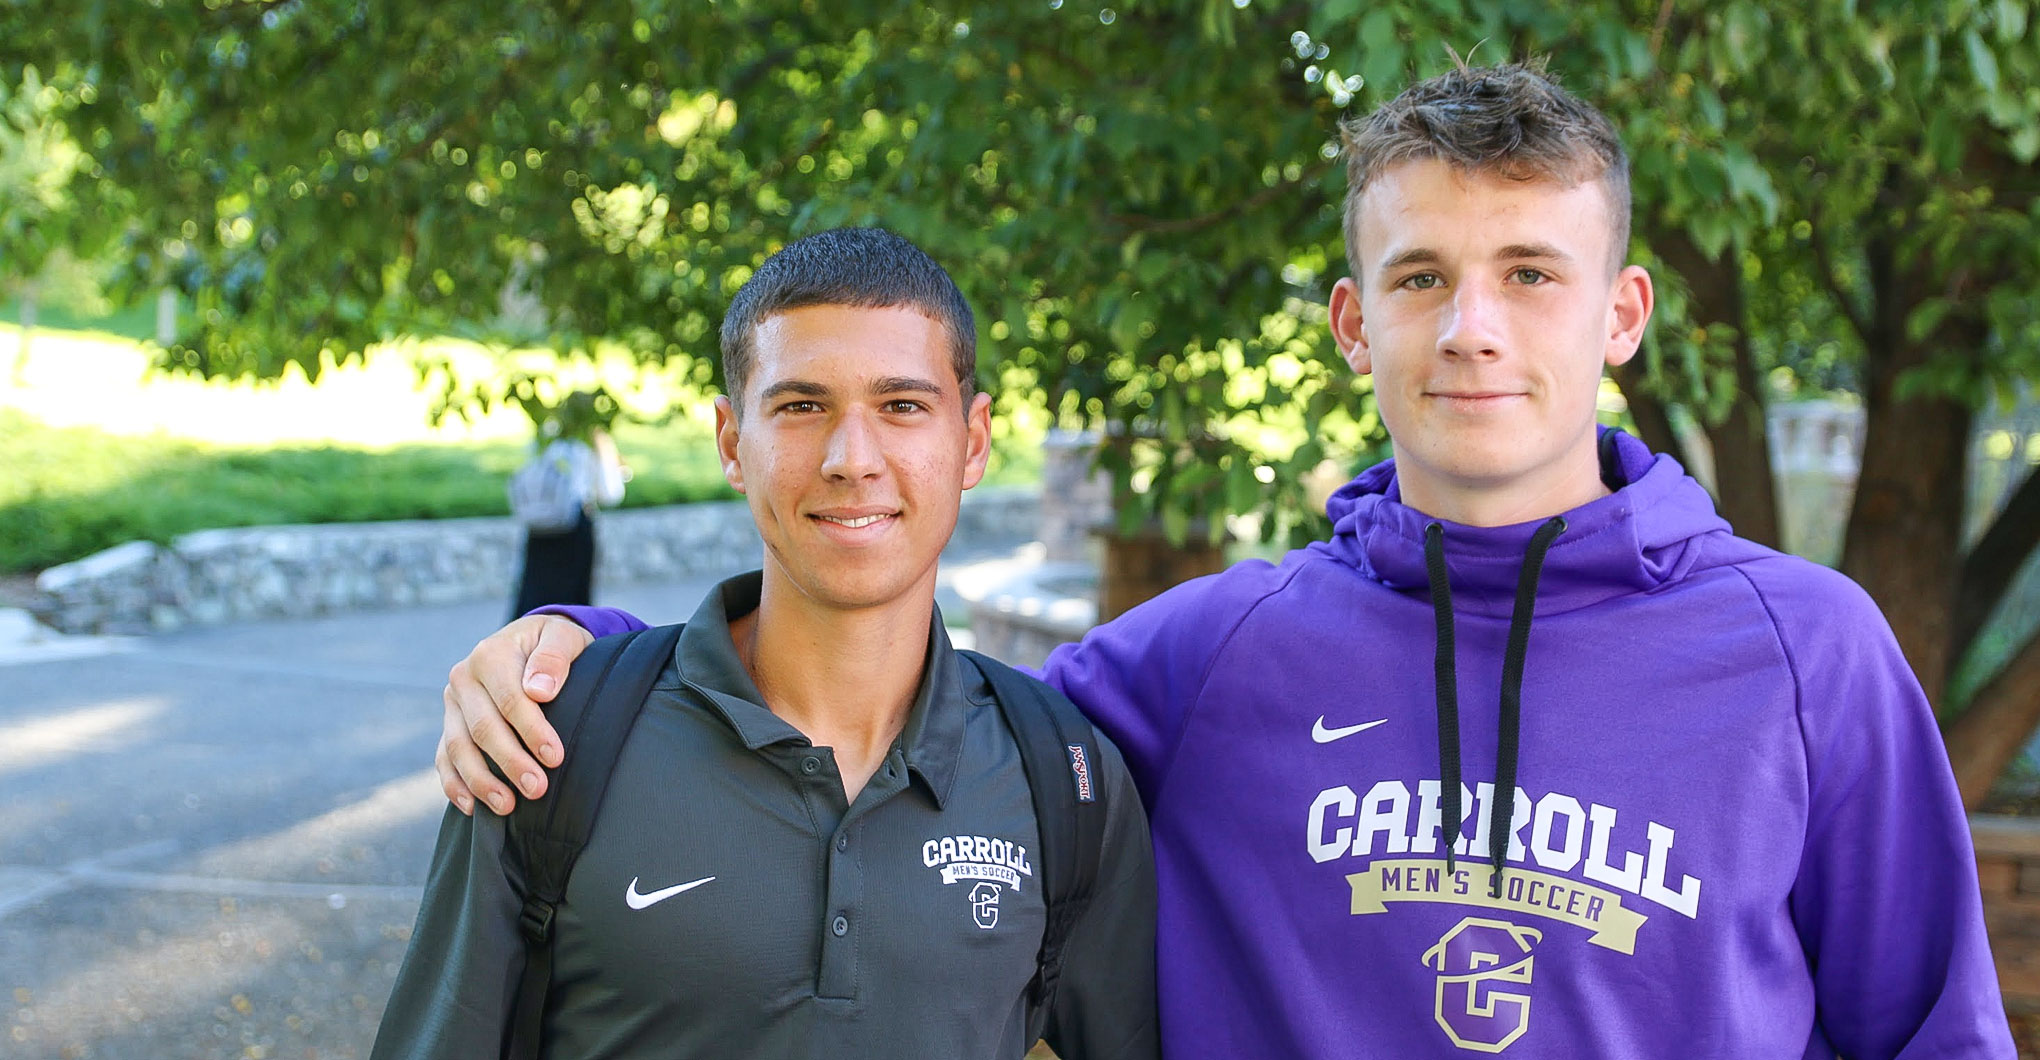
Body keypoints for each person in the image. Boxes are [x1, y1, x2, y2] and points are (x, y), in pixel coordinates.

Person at [432, 64, 2013, 1058]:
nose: (1473, 327)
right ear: (1353, 321)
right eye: (1421, 277)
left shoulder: (1809, 651)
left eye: (1532, 273)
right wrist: (584, 652)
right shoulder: (1213, 656)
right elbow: (896, 712)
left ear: (1620, 315)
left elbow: (1932, 1032)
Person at [374, 227, 1158, 1059]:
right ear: (730, 441)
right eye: (800, 406)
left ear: (971, 441)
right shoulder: (546, 741)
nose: (852, 459)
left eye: (901, 406)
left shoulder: (1063, 778)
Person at [507, 397, 627, 619]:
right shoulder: (593, 440)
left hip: (539, 525)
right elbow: (610, 492)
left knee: (534, 592)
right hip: (575, 527)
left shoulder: (547, 433)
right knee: (570, 605)